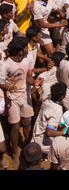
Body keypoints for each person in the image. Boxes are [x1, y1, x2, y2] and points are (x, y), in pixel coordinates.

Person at [1, 36, 41, 169]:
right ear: (20, 52)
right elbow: (0, 82)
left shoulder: (27, 59)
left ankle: (27, 146)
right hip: (12, 98)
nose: (27, 49)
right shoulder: (6, 65)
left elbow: (28, 78)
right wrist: (8, 87)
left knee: (27, 122)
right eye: (25, 47)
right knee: (15, 126)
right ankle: (16, 153)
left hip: (25, 96)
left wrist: (36, 82)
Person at [31, 81, 67, 157]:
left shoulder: (46, 99)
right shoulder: (57, 110)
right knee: (67, 147)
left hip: (35, 136)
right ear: (62, 96)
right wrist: (63, 132)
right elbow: (49, 132)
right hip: (43, 143)